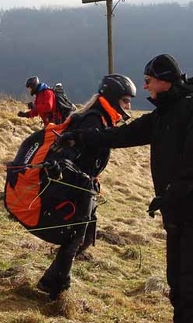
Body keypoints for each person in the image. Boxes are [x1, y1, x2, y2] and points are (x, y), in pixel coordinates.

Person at [59, 54, 193, 323]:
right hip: (176, 208)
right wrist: (83, 134)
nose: (144, 85)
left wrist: (171, 194)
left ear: (165, 80)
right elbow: (124, 135)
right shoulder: (165, 112)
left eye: (148, 79)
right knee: (176, 276)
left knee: (192, 280)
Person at [37, 74, 136, 300]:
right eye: (125, 100)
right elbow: (76, 150)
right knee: (77, 238)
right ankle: (57, 287)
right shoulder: (95, 119)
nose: (129, 106)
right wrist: (83, 179)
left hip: (84, 184)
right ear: (112, 98)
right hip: (78, 185)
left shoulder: (101, 118)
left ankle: (50, 281)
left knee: (85, 237)